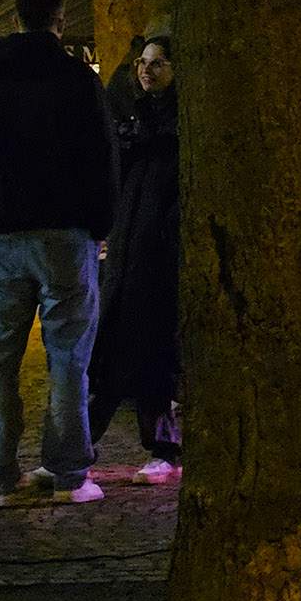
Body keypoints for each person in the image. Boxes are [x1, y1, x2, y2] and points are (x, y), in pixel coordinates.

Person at [0, 0, 116, 507]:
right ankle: (67, 472)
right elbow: (104, 159)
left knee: (0, 354)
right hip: (66, 232)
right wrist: (100, 226)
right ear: (59, 21)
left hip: (2, 232)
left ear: (15, 18)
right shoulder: (78, 79)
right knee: (68, 357)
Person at [87, 37, 183, 484]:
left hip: (157, 253)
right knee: (118, 343)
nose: (148, 70)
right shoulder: (135, 118)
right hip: (129, 247)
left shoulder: (175, 127)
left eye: (158, 63)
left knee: (147, 347)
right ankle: (84, 446)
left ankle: (157, 445)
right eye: (143, 63)